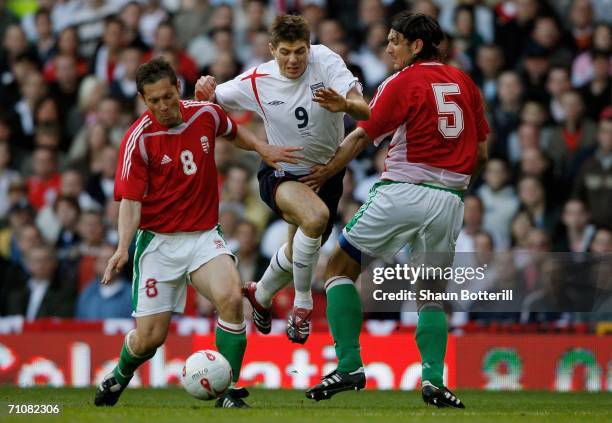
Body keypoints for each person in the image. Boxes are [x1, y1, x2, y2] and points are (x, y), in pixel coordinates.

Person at [300, 13, 488, 407]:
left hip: (403, 191)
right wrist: (451, 180)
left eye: (394, 41)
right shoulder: (465, 84)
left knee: (339, 268)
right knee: (431, 292)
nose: (388, 48)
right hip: (450, 199)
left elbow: (359, 137)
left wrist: (324, 174)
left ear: (416, 45)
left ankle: (349, 364)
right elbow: (482, 153)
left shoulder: (402, 82)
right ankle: (433, 379)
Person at [94, 58, 300, 409]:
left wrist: (263, 148)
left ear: (177, 88)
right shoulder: (138, 140)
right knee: (149, 340)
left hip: (204, 236)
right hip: (158, 243)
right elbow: (130, 202)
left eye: (168, 96)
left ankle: (230, 391)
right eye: (154, 101)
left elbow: (234, 132)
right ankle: (118, 376)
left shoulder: (205, 114)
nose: (163, 106)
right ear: (144, 100)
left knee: (232, 299)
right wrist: (122, 246)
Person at [195, 14, 370, 344]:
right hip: (282, 172)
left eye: (300, 51)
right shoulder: (257, 80)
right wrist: (204, 88)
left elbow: (365, 112)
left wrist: (345, 103)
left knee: (296, 252)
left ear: (309, 47)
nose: (293, 60)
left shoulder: (327, 60)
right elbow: (210, 103)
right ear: (272, 49)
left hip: (327, 175)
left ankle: (260, 296)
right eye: (286, 52)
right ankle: (302, 305)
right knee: (315, 218)